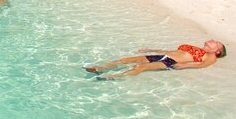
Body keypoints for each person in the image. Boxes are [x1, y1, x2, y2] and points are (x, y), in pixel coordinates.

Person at [85, 40, 227, 79]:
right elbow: (171, 51)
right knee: (126, 60)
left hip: (171, 62)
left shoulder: (211, 56)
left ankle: (113, 77)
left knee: (140, 67)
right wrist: (151, 50)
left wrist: (184, 66)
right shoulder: (198, 49)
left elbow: (202, 65)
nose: (213, 40)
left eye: (216, 43)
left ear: (217, 51)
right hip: (163, 56)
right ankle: (100, 68)